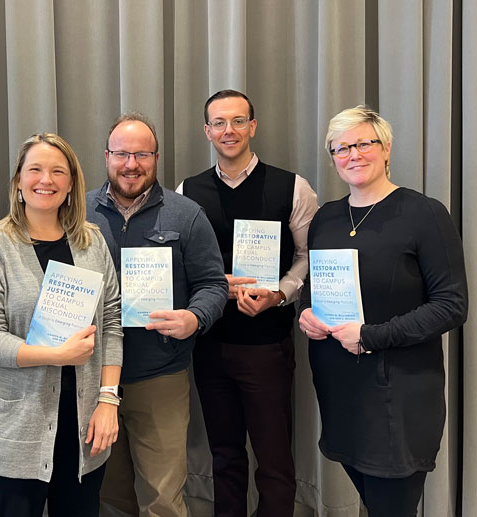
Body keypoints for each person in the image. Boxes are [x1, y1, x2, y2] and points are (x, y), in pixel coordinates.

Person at [298, 106, 467, 517]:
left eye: (362, 144)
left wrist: (371, 336)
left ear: (386, 147)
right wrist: (304, 311)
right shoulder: (326, 218)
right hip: (341, 391)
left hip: (400, 396)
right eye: (340, 148)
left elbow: (451, 305)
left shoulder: (424, 213)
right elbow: (315, 285)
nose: (352, 155)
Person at [0, 133, 123, 517]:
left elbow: (112, 322)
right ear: (18, 180)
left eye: (57, 171)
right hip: (14, 428)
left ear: (71, 184)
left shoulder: (92, 242)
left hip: (83, 425)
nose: (45, 180)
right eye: (35, 169)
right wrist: (56, 355)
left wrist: (108, 400)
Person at [177, 89, 318, 516]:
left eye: (238, 121)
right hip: (210, 345)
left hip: (267, 345)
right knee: (225, 456)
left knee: (275, 461)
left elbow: (308, 256)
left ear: (252, 127)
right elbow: (180, 264)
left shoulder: (292, 186)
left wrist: (279, 294)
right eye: (219, 123)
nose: (229, 130)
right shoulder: (188, 190)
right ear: (207, 131)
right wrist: (214, 285)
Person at [86, 112, 228, 517]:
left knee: (162, 496)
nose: (132, 164)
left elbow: (213, 285)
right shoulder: (75, 212)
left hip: (160, 375)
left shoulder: (186, 215)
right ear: (107, 156)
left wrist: (194, 318)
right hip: (90, 375)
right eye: (122, 154)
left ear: (157, 157)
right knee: (107, 493)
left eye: (142, 154)